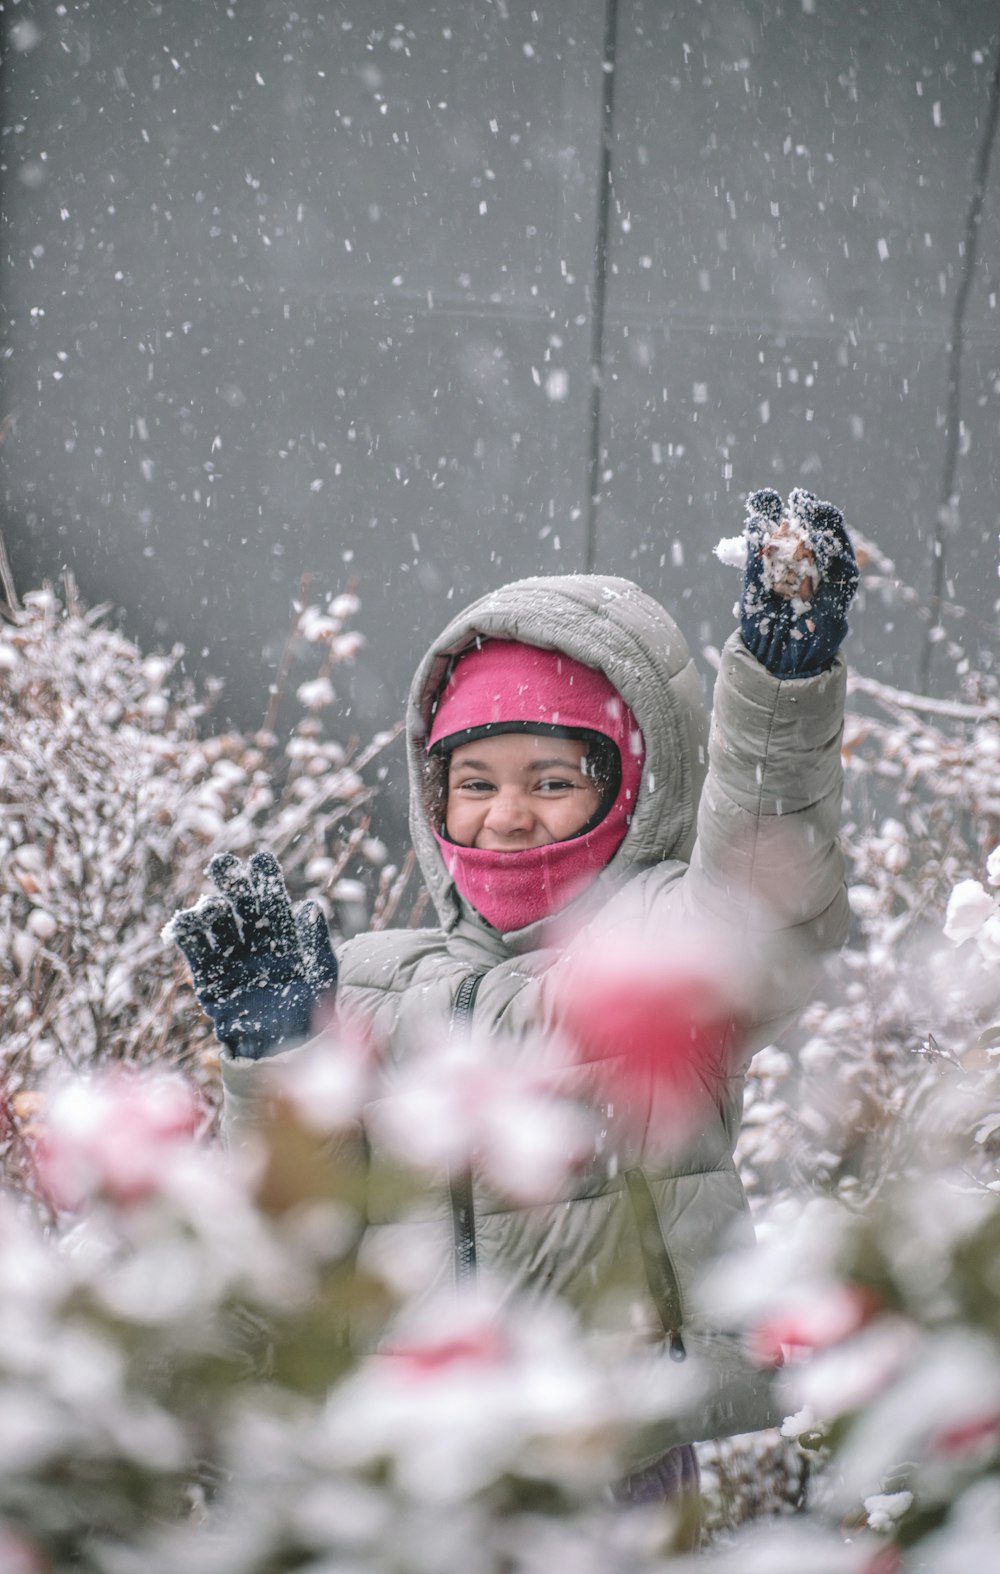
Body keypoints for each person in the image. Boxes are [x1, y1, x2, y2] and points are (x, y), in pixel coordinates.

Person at [167, 486, 858, 1526]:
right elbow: (292, 1228)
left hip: (610, 1450)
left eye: (552, 777)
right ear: (432, 794)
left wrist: (783, 686)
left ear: (626, 783)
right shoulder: (365, 976)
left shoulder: (661, 947)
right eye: (474, 780)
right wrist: (274, 1059)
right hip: (404, 1464)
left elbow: (770, 872)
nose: (507, 813)